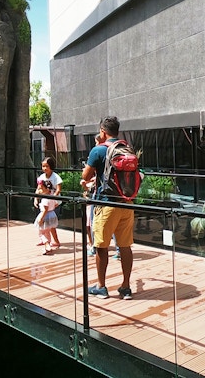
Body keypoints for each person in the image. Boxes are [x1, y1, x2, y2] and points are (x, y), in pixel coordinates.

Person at [81, 116, 134, 300]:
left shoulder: (98, 150)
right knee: (125, 246)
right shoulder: (126, 148)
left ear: (103, 131)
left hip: (106, 204)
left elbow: (85, 176)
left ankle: (101, 287)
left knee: (101, 246)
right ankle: (126, 287)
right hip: (126, 203)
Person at [34, 157, 62, 255]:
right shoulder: (41, 177)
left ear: (51, 166)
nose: (45, 168)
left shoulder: (55, 177)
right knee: (47, 225)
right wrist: (36, 198)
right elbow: (38, 188)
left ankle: (54, 241)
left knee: (50, 225)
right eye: (43, 166)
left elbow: (58, 189)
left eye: (47, 166)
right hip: (46, 202)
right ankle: (47, 241)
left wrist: (53, 198)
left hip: (53, 203)